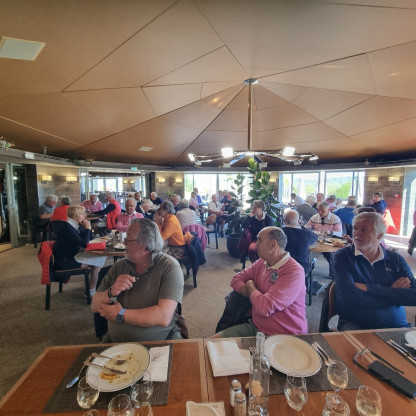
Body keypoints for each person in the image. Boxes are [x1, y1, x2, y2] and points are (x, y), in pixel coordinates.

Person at [91, 218, 184, 342]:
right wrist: (110, 293)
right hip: (117, 345)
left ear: (145, 244)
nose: (123, 243)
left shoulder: (168, 267)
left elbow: (163, 316)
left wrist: (120, 314)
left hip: (160, 342)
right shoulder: (119, 267)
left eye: (128, 239)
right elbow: (94, 306)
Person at [212, 227, 307, 337]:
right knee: (212, 342)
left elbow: (265, 308)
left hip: (284, 335)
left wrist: (250, 286)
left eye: (259, 240)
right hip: (256, 327)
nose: (255, 244)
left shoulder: (293, 272)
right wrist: (256, 297)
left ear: (273, 244)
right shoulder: (262, 262)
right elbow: (236, 280)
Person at [334, 212, 416, 330]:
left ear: (379, 235)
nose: (356, 234)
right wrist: (393, 293)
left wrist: (370, 289)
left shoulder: (396, 259)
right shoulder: (343, 256)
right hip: (357, 323)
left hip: (397, 324)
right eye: (355, 228)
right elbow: (348, 298)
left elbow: (414, 296)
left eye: (364, 230)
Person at [53, 206, 105, 297]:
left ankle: (91, 288)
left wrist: (88, 228)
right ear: (74, 217)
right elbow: (84, 244)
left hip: (71, 255)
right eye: (81, 214)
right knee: (98, 261)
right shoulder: (67, 228)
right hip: (65, 261)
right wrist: (87, 229)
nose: (84, 215)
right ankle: (91, 291)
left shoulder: (74, 225)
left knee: (99, 258)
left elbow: (89, 240)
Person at [306, 201, 342, 278]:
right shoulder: (315, 217)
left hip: (329, 241)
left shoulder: (335, 218)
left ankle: (333, 273)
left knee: (330, 254)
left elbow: (339, 233)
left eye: (322, 211)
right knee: (305, 250)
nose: (320, 212)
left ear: (328, 210)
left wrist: (330, 232)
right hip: (316, 240)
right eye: (319, 210)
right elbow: (307, 227)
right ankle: (307, 270)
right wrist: (309, 229)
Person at [282, 210, 318, 275]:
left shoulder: (277, 232)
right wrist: (302, 227)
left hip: (281, 267)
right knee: (313, 260)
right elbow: (316, 237)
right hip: (300, 268)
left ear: (284, 221)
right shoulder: (306, 234)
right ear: (299, 221)